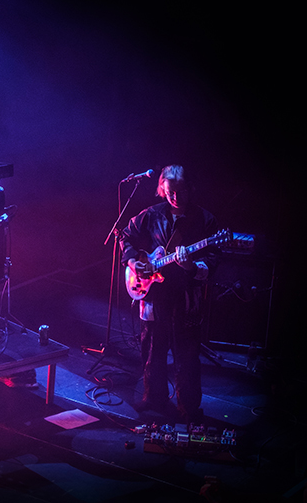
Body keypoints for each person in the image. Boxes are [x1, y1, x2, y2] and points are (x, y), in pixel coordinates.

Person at [121, 165, 219, 424]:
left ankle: (188, 407)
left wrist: (192, 266)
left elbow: (212, 260)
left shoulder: (204, 220)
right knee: (152, 349)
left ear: (190, 189)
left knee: (186, 356)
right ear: (162, 190)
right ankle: (154, 398)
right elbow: (126, 237)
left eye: (181, 191)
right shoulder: (151, 215)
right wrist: (133, 263)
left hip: (185, 298)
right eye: (170, 192)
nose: (176, 197)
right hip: (154, 295)